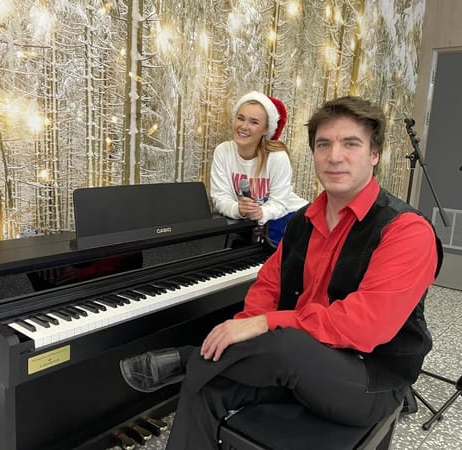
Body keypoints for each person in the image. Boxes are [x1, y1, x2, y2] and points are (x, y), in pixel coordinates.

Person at [119, 96, 443, 450]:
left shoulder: (406, 230)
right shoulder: (302, 221)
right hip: (296, 363)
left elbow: (365, 327)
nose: (335, 156)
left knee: (283, 339)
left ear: (374, 154)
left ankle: (189, 357)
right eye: (324, 144)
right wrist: (241, 328)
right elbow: (268, 287)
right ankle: (199, 365)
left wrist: (262, 325)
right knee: (207, 383)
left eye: (351, 143)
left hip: (370, 378)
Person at [209, 91, 308, 247]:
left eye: (254, 122)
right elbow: (220, 197)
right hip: (254, 224)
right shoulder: (223, 152)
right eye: (240, 118)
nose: (244, 126)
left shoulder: (277, 157)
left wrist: (263, 212)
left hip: (290, 218)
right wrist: (237, 209)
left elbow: (280, 203)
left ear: (265, 129)